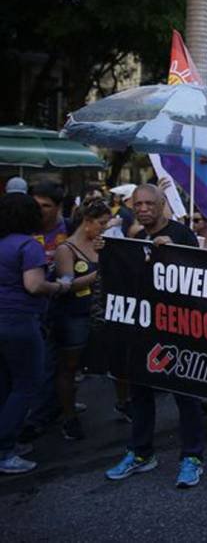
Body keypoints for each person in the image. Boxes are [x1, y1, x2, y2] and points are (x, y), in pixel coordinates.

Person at [106, 184, 206, 488]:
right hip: (144, 329)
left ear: (162, 204)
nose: (144, 209)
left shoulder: (182, 235)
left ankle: (192, 457)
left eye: (150, 203)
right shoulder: (136, 239)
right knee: (140, 394)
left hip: (178, 330)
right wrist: (108, 255)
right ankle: (140, 453)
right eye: (138, 204)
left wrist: (173, 254)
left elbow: (199, 279)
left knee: (185, 395)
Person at [0, 194, 71, 474]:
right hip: (20, 321)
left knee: (5, 383)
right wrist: (60, 287)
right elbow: (33, 285)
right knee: (26, 384)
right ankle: (5, 450)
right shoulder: (29, 246)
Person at [50, 200, 110, 441]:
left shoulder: (101, 244)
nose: (105, 228)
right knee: (70, 366)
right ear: (87, 222)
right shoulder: (66, 249)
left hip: (101, 312)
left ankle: (123, 403)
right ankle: (68, 415)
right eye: (101, 224)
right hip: (74, 315)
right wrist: (98, 274)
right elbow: (67, 285)